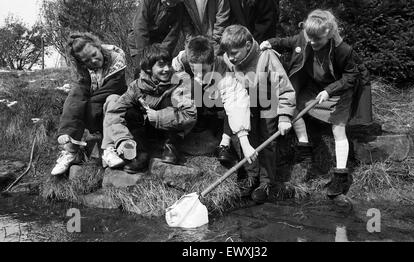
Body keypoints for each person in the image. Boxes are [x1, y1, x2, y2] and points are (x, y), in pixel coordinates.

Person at [260, 9, 373, 199]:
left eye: (317, 40)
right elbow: (286, 41)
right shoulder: (306, 37)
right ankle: (304, 146)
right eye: (309, 38)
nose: (312, 43)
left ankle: (341, 176)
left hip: (339, 91)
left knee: (338, 129)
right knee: (291, 101)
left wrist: (330, 90)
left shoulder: (343, 50)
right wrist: (269, 43)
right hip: (315, 88)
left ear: (328, 33)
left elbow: (351, 76)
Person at [220, 25, 296, 203]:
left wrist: (285, 116)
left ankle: (266, 182)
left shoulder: (266, 57)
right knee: (246, 139)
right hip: (246, 103)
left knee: (267, 140)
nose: (231, 57)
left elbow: (285, 89)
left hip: (269, 102)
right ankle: (251, 177)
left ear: (247, 45)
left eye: (235, 52)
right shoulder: (229, 60)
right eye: (228, 53)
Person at [101, 46, 197, 174]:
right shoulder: (137, 86)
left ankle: (171, 146)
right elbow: (116, 111)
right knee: (129, 111)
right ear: (148, 68)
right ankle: (141, 153)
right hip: (147, 129)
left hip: (170, 129)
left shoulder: (180, 81)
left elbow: (190, 115)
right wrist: (122, 139)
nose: (167, 69)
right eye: (161, 65)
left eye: (168, 64)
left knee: (171, 102)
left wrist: (158, 116)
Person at [172, 35, 255, 168]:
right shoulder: (183, 58)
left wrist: (245, 142)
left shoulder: (224, 71)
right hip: (201, 95)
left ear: (212, 62)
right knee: (191, 85)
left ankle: (224, 140)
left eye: (203, 70)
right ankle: (196, 126)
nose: (198, 75)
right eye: (194, 69)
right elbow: (175, 67)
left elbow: (234, 104)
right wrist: (183, 78)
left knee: (230, 106)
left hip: (219, 98)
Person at [51, 32, 127, 176]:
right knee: (75, 96)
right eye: (87, 60)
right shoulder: (84, 70)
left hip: (114, 100)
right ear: (82, 63)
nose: (93, 61)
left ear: (98, 46)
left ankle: (108, 149)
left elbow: (112, 89)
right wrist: (67, 130)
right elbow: (79, 96)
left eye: (94, 54)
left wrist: (89, 114)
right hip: (95, 100)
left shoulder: (117, 59)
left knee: (111, 100)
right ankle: (70, 148)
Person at [128, 0, 185, 77]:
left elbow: (172, 35)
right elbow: (140, 27)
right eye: (167, 1)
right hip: (139, 43)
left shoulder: (179, 8)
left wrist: (162, 54)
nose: (170, 5)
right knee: (142, 71)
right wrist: (145, 54)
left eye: (174, 2)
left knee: (161, 71)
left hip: (160, 44)